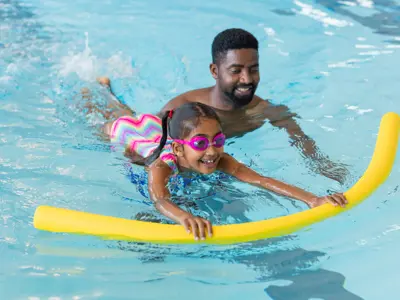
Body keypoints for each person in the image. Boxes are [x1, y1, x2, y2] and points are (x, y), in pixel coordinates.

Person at [96, 28, 349, 184]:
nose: (247, 79)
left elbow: (301, 140)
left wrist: (322, 166)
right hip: (146, 130)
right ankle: (99, 91)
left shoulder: (267, 111)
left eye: (254, 69)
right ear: (215, 71)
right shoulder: (185, 107)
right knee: (116, 116)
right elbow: (154, 143)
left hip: (206, 156)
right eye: (236, 71)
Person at [103, 101, 347, 240]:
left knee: (128, 110)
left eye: (218, 140)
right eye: (200, 143)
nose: (211, 151)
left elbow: (261, 180)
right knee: (110, 115)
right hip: (130, 137)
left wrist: (313, 199)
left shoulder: (219, 158)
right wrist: (184, 217)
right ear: (178, 149)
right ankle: (96, 94)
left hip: (157, 129)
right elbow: (160, 200)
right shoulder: (161, 166)